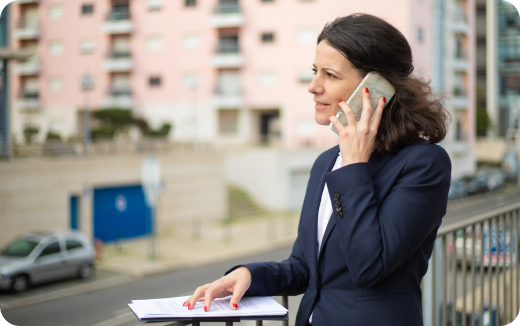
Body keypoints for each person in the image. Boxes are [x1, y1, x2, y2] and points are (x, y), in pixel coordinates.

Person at [184, 13, 451, 325]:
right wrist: (249, 274)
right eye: (314, 72)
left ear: (377, 88)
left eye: (331, 75)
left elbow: (369, 266)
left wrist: (355, 165)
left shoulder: (423, 164)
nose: (313, 86)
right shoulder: (326, 162)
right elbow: (305, 267)